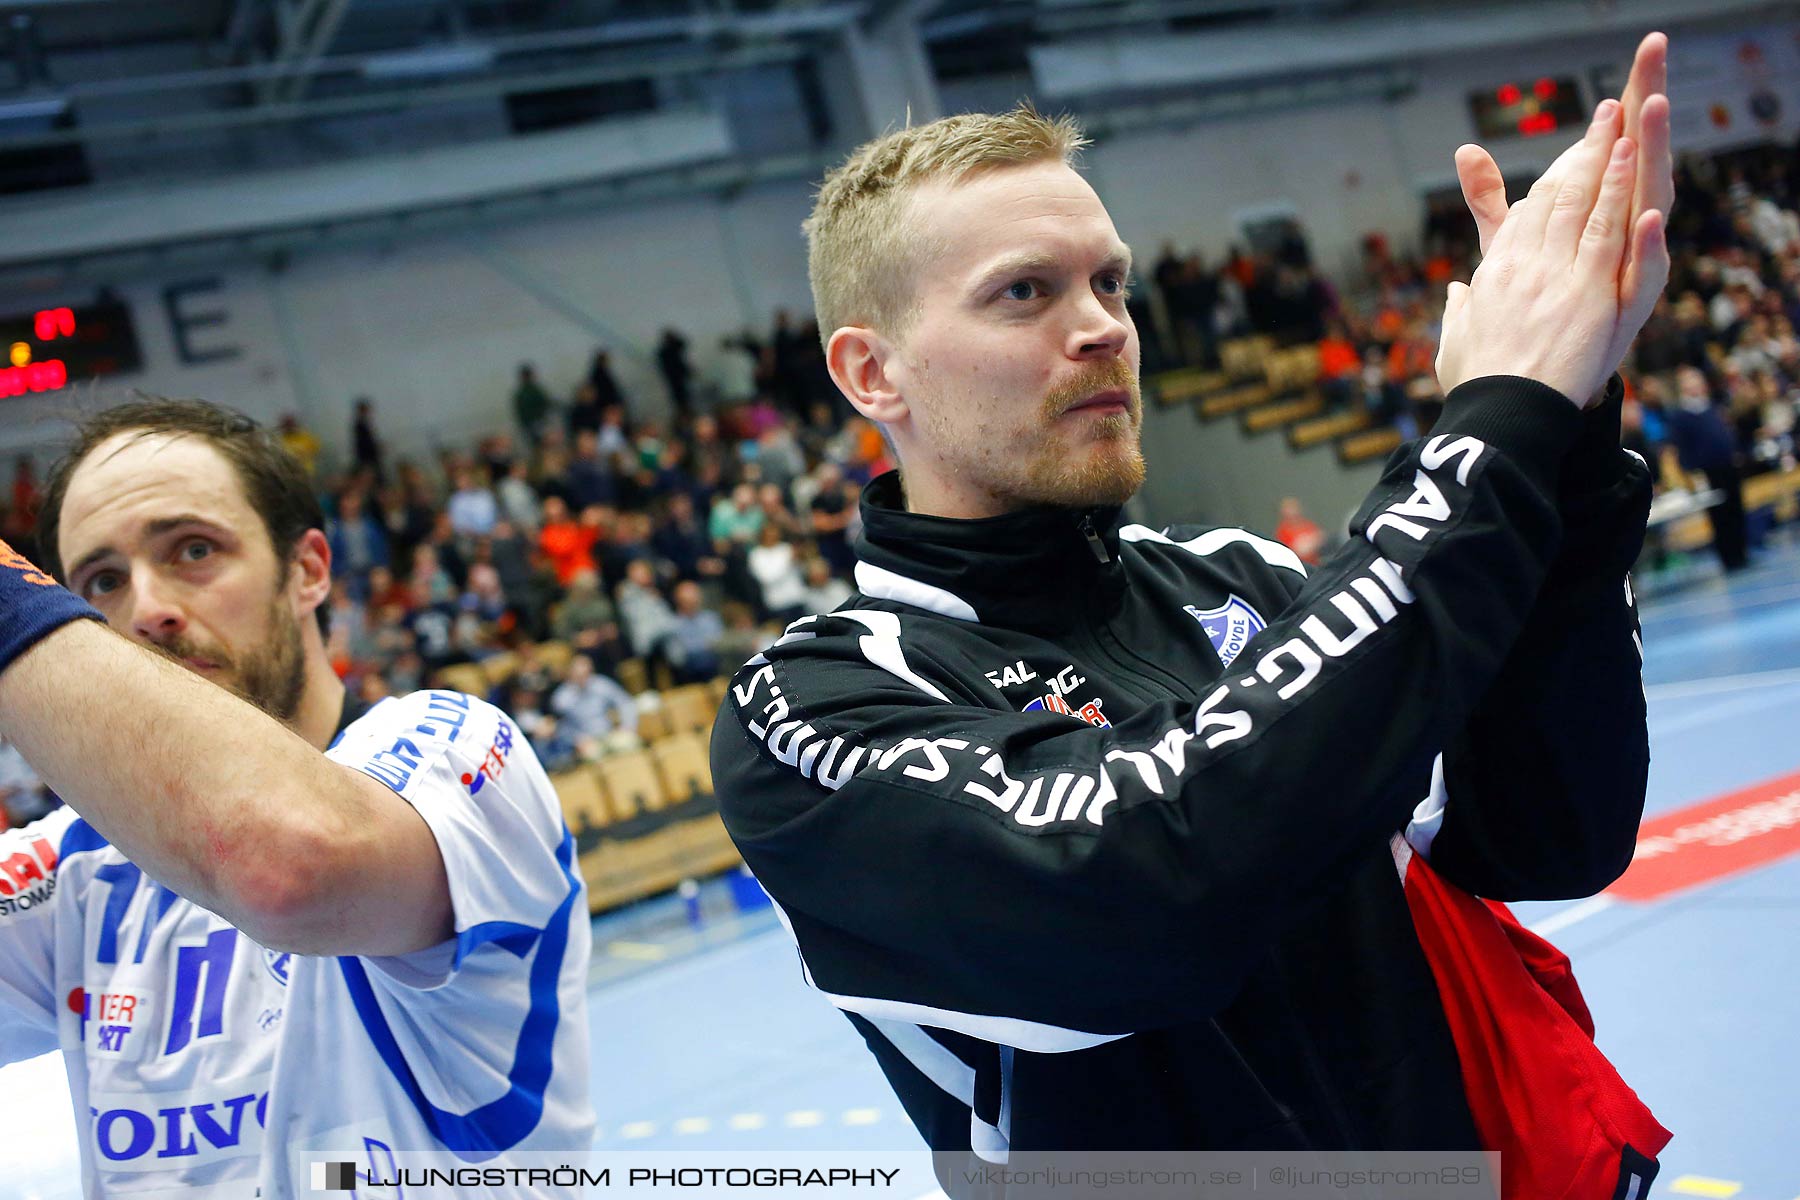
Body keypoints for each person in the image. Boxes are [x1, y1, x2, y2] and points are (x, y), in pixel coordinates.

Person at [712, 34, 1674, 1182]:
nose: (1105, 326)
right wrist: (1499, 423)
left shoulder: (1242, 578)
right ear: (873, 374)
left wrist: (1568, 424)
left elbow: (1547, 832)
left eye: (1109, 281)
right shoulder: (815, 704)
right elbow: (1150, 891)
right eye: (1025, 292)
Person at [0, 400, 594, 1196]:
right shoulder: (77, 863)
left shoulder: (452, 751)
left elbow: (289, 865)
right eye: (100, 583)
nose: (146, 612)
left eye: (194, 550)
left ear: (309, 569)